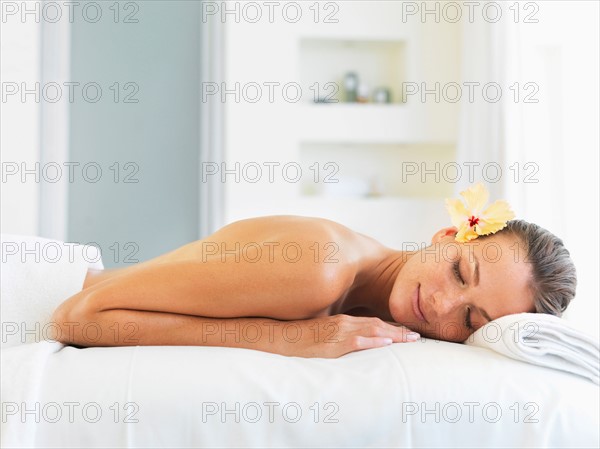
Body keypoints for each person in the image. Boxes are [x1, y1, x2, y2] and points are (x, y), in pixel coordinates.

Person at [50, 213, 577, 358]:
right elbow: (78, 316)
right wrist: (284, 338)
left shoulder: (358, 290)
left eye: (471, 320)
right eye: (461, 272)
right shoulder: (321, 265)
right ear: (448, 234)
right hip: (37, 291)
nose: (442, 302)